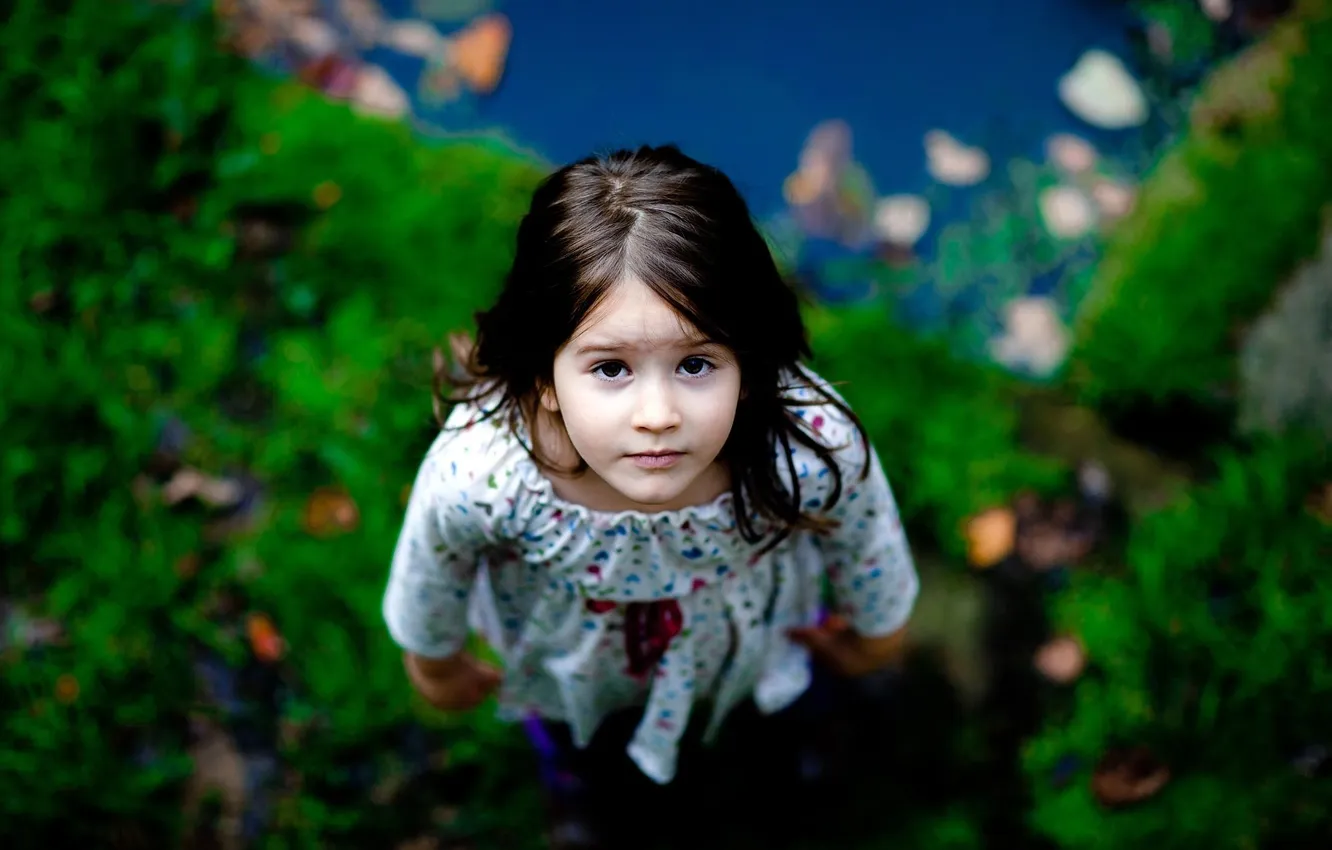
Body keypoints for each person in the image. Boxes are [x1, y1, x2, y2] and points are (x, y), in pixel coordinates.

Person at [383, 144, 919, 847]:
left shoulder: (805, 445)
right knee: (581, 745)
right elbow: (433, 559)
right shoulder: (486, 471)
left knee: (779, 716)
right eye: (610, 368)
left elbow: (865, 529)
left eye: (697, 363)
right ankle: (582, 794)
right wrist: (436, 658)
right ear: (544, 371)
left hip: (755, 638)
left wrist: (876, 627)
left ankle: (795, 752)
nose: (657, 413)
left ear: (750, 363)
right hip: (575, 665)